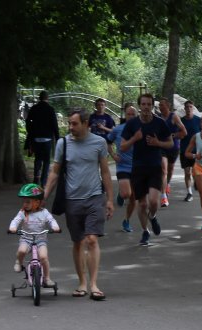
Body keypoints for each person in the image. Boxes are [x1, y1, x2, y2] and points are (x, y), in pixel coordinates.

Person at [43, 109, 114, 300]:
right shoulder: (63, 143)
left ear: (86, 123)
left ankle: (93, 284)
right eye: (69, 123)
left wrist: (109, 199)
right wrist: (43, 196)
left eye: (74, 123)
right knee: (78, 241)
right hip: (72, 200)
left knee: (92, 239)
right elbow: (55, 172)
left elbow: (105, 172)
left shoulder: (99, 143)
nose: (70, 127)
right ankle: (82, 282)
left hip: (94, 197)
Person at [120, 93, 173, 246]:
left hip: (155, 167)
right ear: (139, 106)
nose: (146, 107)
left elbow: (170, 143)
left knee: (154, 202)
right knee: (142, 204)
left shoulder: (160, 123)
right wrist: (134, 139)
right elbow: (122, 147)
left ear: (152, 106)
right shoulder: (132, 124)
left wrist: (158, 143)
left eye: (149, 104)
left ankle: (153, 216)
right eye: (143, 104)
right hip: (138, 168)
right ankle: (145, 231)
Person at [8, 183, 61, 287]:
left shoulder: (44, 212)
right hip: (26, 238)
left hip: (40, 240)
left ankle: (47, 278)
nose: (25, 204)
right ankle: (19, 262)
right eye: (23, 202)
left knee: (44, 257)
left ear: (37, 202)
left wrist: (55, 227)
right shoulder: (23, 212)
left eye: (28, 202)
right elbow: (16, 220)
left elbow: (51, 220)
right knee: (21, 250)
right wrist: (13, 228)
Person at [107, 103, 138, 233]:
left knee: (133, 199)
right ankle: (121, 193)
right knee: (126, 193)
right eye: (128, 114)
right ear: (125, 115)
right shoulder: (118, 129)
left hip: (137, 167)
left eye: (133, 114)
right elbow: (107, 142)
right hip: (123, 166)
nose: (130, 116)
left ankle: (126, 220)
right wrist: (113, 155)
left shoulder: (140, 129)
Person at [25, 91, 60, 187]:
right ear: (47, 98)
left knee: (38, 159)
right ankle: (44, 181)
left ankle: (36, 177)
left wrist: (30, 130)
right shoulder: (50, 109)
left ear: (39, 98)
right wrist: (58, 138)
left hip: (36, 138)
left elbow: (28, 121)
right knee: (47, 161)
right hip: (47, 138)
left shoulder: (34, 108)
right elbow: (54, 125)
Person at [158, 97, 187, 207]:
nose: (160, 107)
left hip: (174, 147)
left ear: (168, 106)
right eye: (159, 105)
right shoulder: (158, 118)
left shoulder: (174, 117)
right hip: (162, 147)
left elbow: (184, 132)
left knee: (170, 170)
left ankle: (168, 184)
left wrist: (173, 135)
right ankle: (164, 197)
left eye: (162, 105)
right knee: (163, 170)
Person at [179, 100, 202, 202]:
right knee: (187, 172)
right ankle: (189, 193)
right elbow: (177, 133)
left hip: (197, 151)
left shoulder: (198, 120)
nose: (188, 109)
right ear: (184, 108)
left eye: (190, 107)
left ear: (193, 108)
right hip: (184, 150)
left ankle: (196, 182)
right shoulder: (181, 121)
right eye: (187, 107)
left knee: (195, 172)